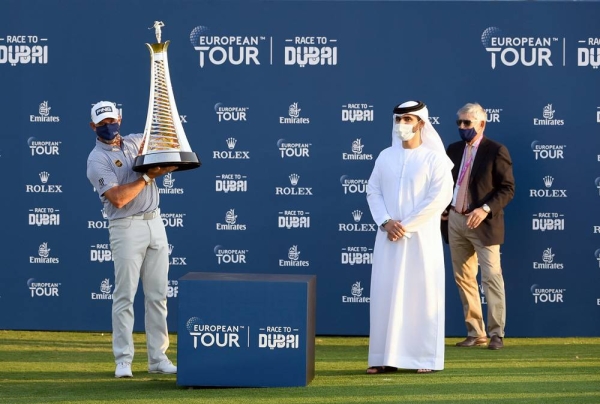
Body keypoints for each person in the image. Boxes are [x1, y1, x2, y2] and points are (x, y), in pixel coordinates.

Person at [86, 101, 178, 378]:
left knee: (158, 295)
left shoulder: (138, 141)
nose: (108, 126)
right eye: (102, 124)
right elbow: (119, 199)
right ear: (93, 127)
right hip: (125, 226)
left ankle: (157, 358)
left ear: (120, 119)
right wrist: (149, 176)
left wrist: (160, 146)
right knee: (125, 295)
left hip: (155, 222)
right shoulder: (96, 159)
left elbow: (173, 144)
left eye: (112, 120)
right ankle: (123, 359)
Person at [366, 101, 454, 374]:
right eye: (398, 119)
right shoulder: (384, 157)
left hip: (421, 241)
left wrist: (406, 226)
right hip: (387, 239)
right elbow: (373, 191)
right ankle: (383, 358)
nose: (402, 124)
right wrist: (386, 222)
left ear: (421, 123)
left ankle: (423, 359)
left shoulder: (435, 159)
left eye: (407, 119)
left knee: (421, 296)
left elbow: (440, 197)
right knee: (385, 295)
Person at [441, 102, 515, 350]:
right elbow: (443, 184)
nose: (462, 127)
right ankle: (475, 332)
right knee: (464, 278)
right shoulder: (452, 150)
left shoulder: (496, 150)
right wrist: (443, 208)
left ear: (481, 124)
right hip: (455, 220)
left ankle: (497, 333)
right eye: (459, 123)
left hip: (483, 223)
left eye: (467, 123)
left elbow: (507, 189)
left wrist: (484, 210)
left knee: (492, 277)